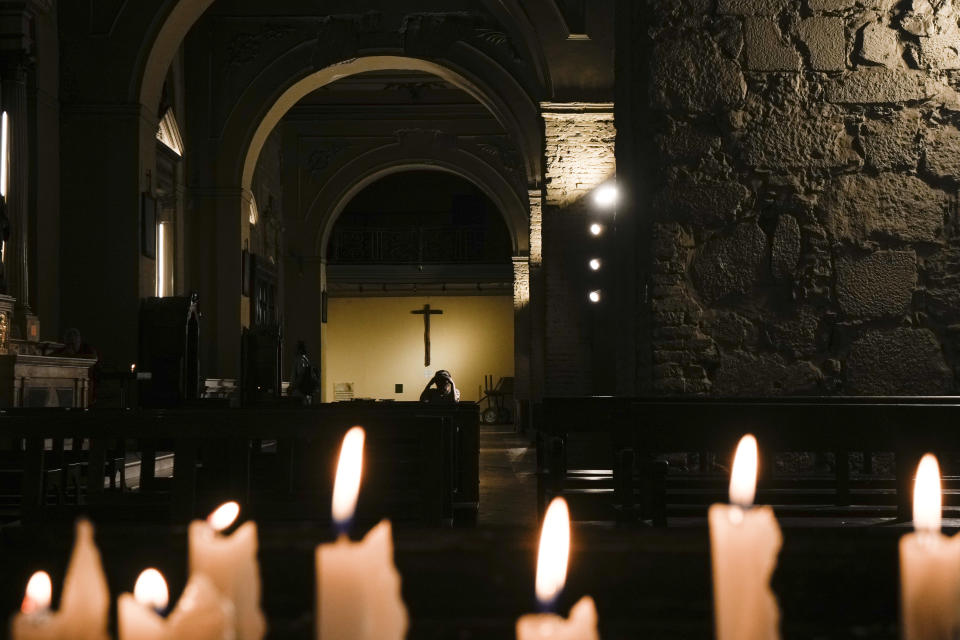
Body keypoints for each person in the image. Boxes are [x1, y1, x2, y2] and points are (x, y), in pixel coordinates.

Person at [290, 340, 318, 404]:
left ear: (299, 350)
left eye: (295, 348)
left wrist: (291, 388)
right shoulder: (306, 360)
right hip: (304, 393)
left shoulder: (300, 360)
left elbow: (301, 375)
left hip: (299, 393)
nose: (293, 350)